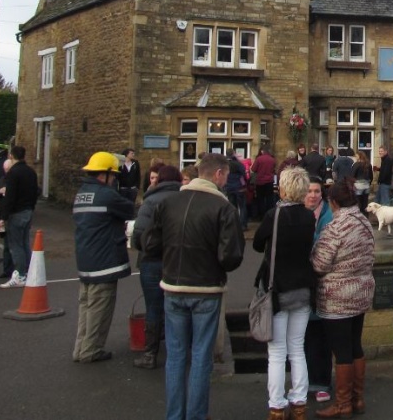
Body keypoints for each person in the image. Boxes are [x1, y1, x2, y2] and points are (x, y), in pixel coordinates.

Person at [142, 152, 244, 420]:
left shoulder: (168, 202)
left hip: (173, 287)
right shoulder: (224, 208)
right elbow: (231, 257)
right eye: (226, 175)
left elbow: (150, 244)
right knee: (201, 356)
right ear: (219, 174)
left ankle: (175, 415)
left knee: (175, 355)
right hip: (206, 289)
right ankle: (196, 415)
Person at [253, 167, 317, 420]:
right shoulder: (308, 216)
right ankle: (299, 404)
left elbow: (258, 244)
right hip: (302, 288)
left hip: (277, 289)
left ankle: (277, 406)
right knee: (297, 348)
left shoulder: (274, 215)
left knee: (277, 353)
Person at [311, 180, 375, 419]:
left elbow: (319, 264)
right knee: (355, 345)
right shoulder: (364, 223)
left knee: (341, 351)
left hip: (338, 297)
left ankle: (343, 404)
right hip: (361, 293)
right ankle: (357, 399)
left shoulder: (336, 227)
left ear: (333, 202)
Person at [72, 151, 135, 363]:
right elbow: (129, 209)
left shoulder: (82, 193)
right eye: (114, 176)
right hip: (104, 260)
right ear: (105, 175)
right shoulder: (107, 195)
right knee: (100, 308)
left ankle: (81, 347)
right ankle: (91, 350)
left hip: (86, 259)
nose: (115, 180)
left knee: (86, 306)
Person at [130, 164, 183, 369]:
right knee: (176, 307)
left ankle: (150, 354)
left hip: (151, 261)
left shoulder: (149, 200)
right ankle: (176, 353)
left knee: (153, 307)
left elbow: (138, 235)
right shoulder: (184, 199)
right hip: (177, 261)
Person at [304, 176, 334, 404]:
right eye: (309, 191)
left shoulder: (328, 216)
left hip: (322, 284)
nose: (313, 195)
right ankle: (302, 383)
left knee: (319, 335)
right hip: (298, 285)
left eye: (316, 191)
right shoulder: (295, 214)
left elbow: (326, 248)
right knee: (298, 338)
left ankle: (321, 383)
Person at [0, 145, 40, 287]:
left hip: (16, 212)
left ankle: (20, 275)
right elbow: (35, 192)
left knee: (15, 245)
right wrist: (31, 207)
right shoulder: (31, 172)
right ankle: (28, 272)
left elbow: (10, 196)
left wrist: (3, 217)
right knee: (25, 243)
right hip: (28, 210)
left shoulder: (13, 173)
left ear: (11, 156)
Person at [224, 150, 249, 230]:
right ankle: (243, 225)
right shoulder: (238, 164)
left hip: (228, 187)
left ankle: (233, 224)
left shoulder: (224, 164)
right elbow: (244, 175)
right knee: (242, 207)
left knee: (232, 207)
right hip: (239, 188)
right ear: (233, 154)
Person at [252, 148, 277, 217]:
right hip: (269, 182)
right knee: (269, 199)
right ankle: (270, 215)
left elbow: (253, 169)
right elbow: (274, 169)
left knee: (260, 199)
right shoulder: (272, 159)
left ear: (263, 151)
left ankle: (261, 216)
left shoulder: (259, 159)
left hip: (260, 182)